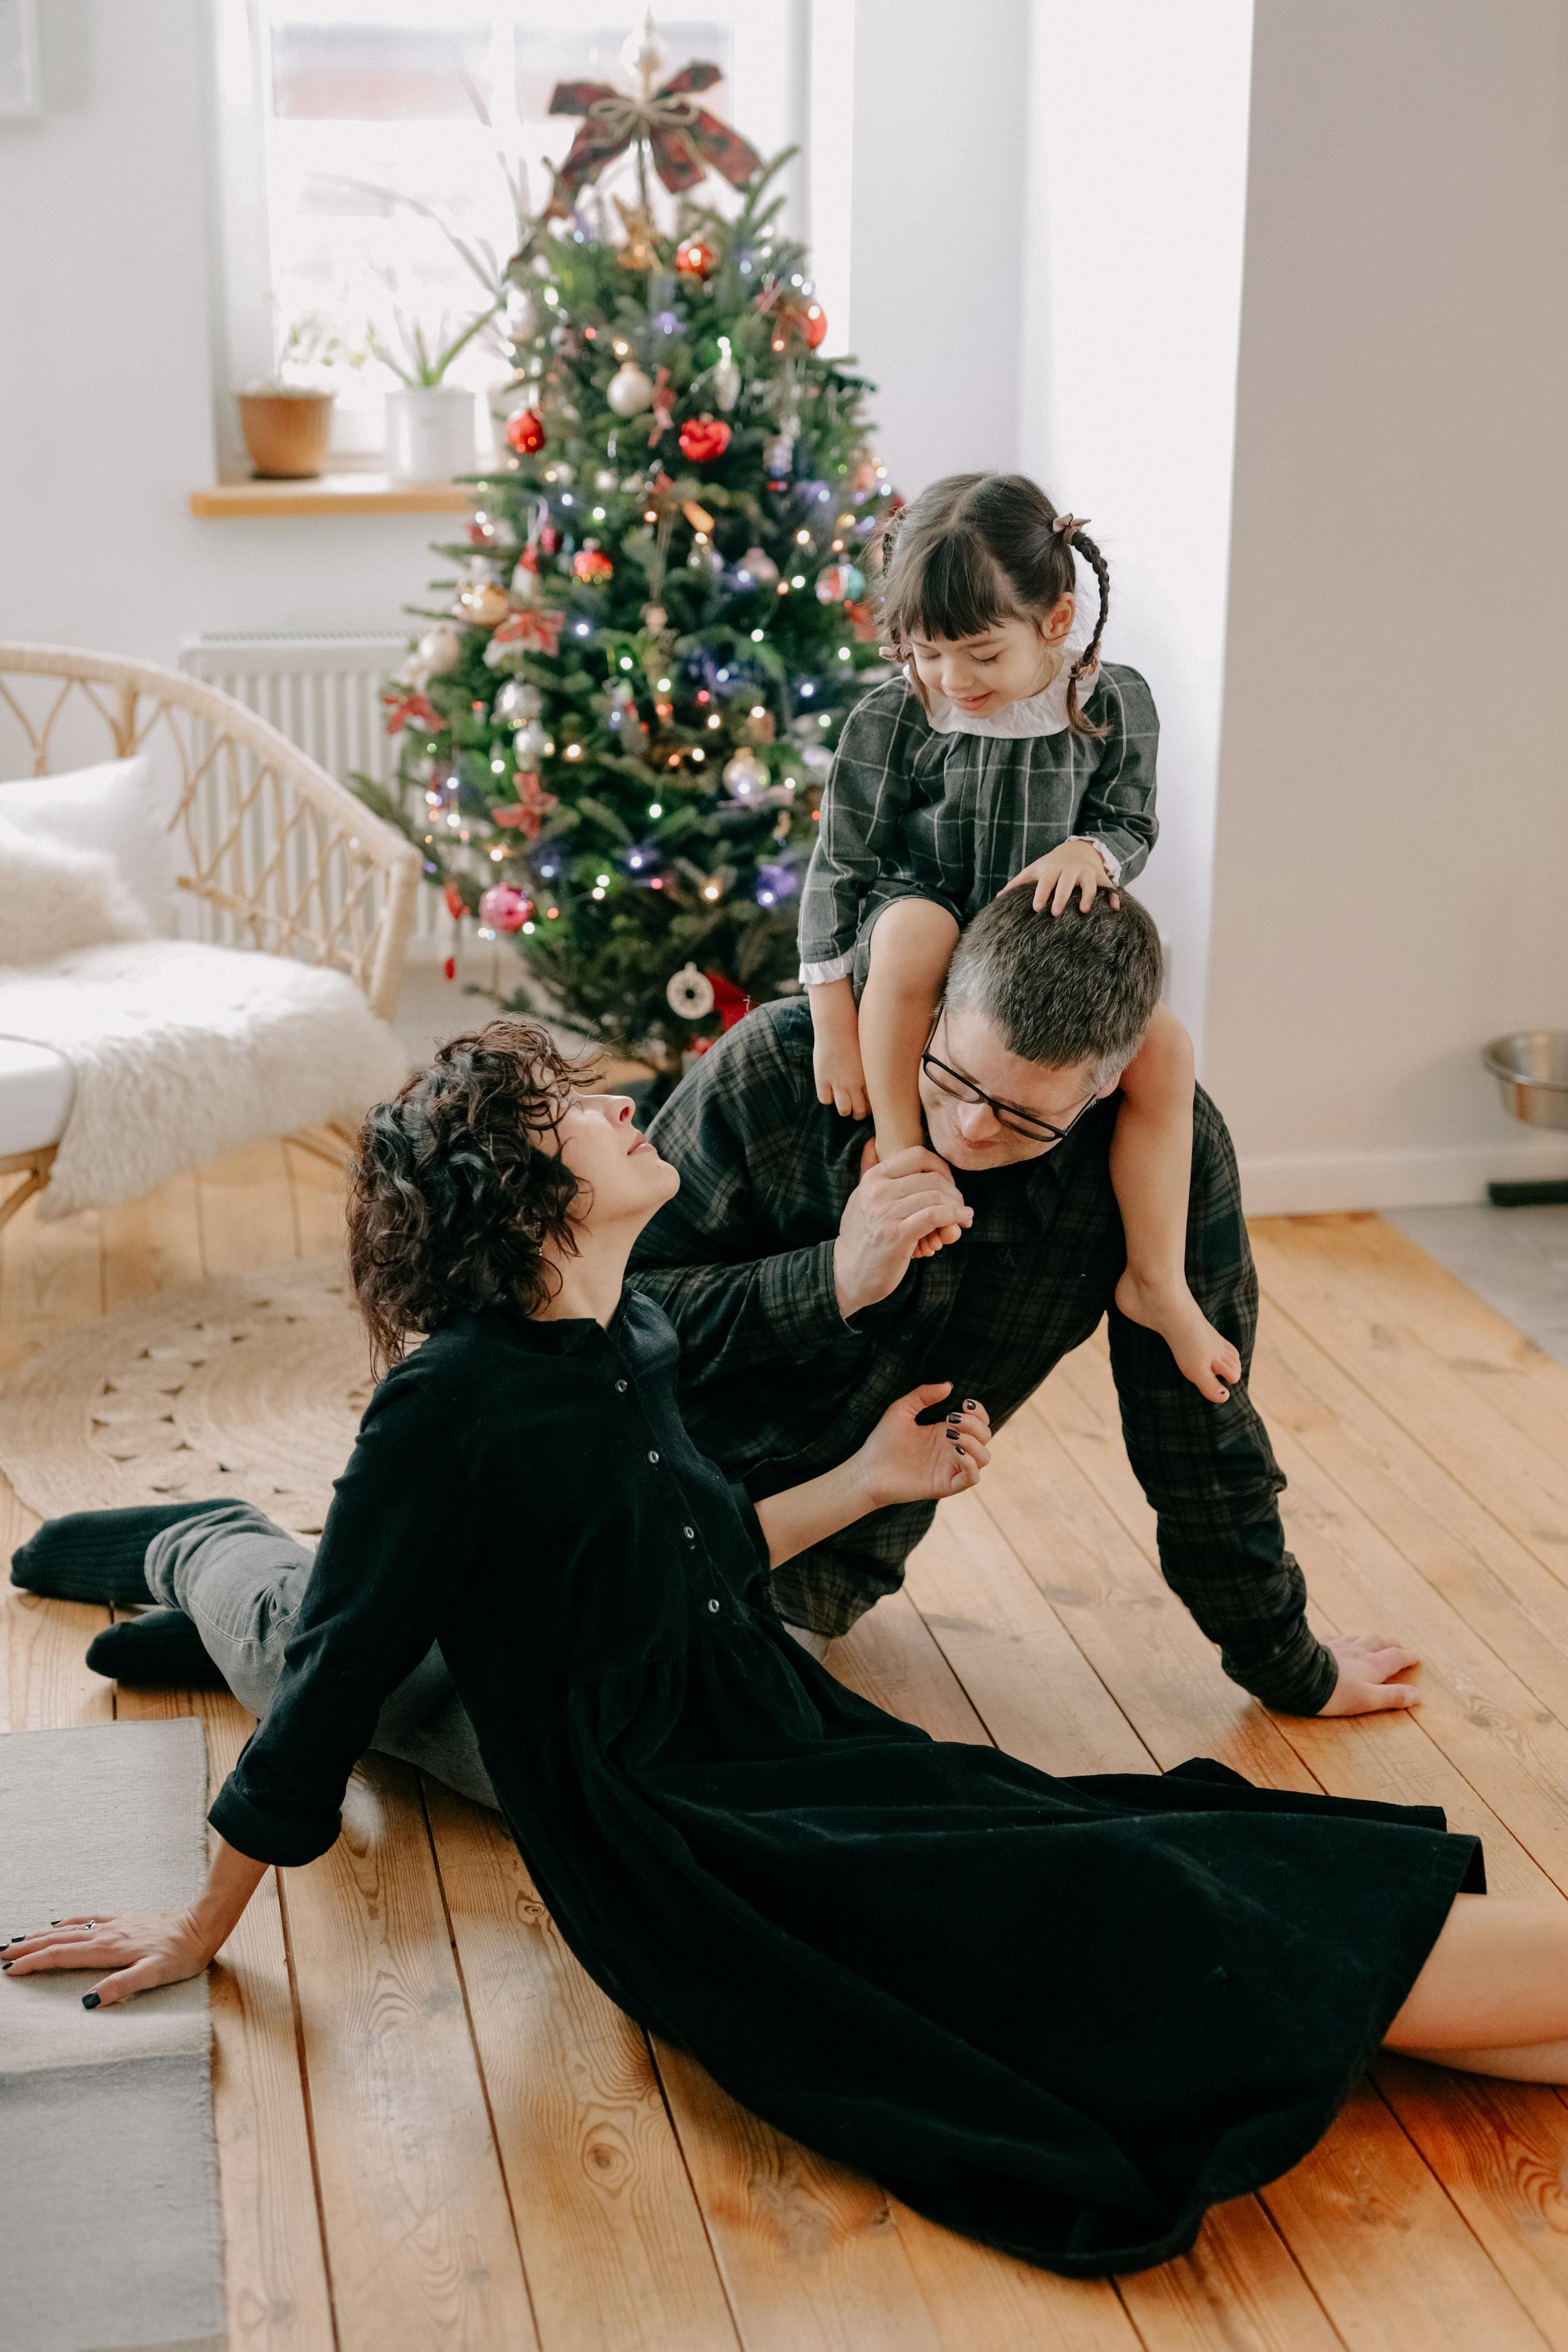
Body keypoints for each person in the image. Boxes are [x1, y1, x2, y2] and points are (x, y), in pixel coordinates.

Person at [12, 1019, 1568, 2283]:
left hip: (764, 1728)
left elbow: (676, 1569)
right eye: (574, 1107)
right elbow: (335, 1685)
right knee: (294, 1642)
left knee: (1129, 1845)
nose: (624, 1101)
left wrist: (866, 1487)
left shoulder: (632, 1333)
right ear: (512, 1185)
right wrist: (196, 1929)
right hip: (676, 1818)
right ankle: (191, 1539)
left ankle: (218, 1573)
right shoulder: (443, 1410)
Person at [629, 886, 1404, 1713]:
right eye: (954, 1075)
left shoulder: (1158, 1159)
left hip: (805, 1574)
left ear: (1108, 1087)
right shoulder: (785, 1065)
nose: (967, 1132)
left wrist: (1287, 1662)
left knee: (660, 1728)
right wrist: (834, 1281)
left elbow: (1197, 1433)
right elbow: (601, 1320)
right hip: (621, 1493)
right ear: (936, 1008)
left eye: (1025, 1117)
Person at [799, 471, 1238, 1400]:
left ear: (1056, 620)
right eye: (926, 653)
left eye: (980, 655)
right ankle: (903, 1150)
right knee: (914, 934)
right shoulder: (893, 717)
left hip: (1036, 945)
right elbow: (841, 865)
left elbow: (1132, 823)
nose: (954, 680)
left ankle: (1155, 1277)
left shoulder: (1112, 702)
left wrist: (1095, 851)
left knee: (1165, 1052)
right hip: (929, 918)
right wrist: (832, 1014)